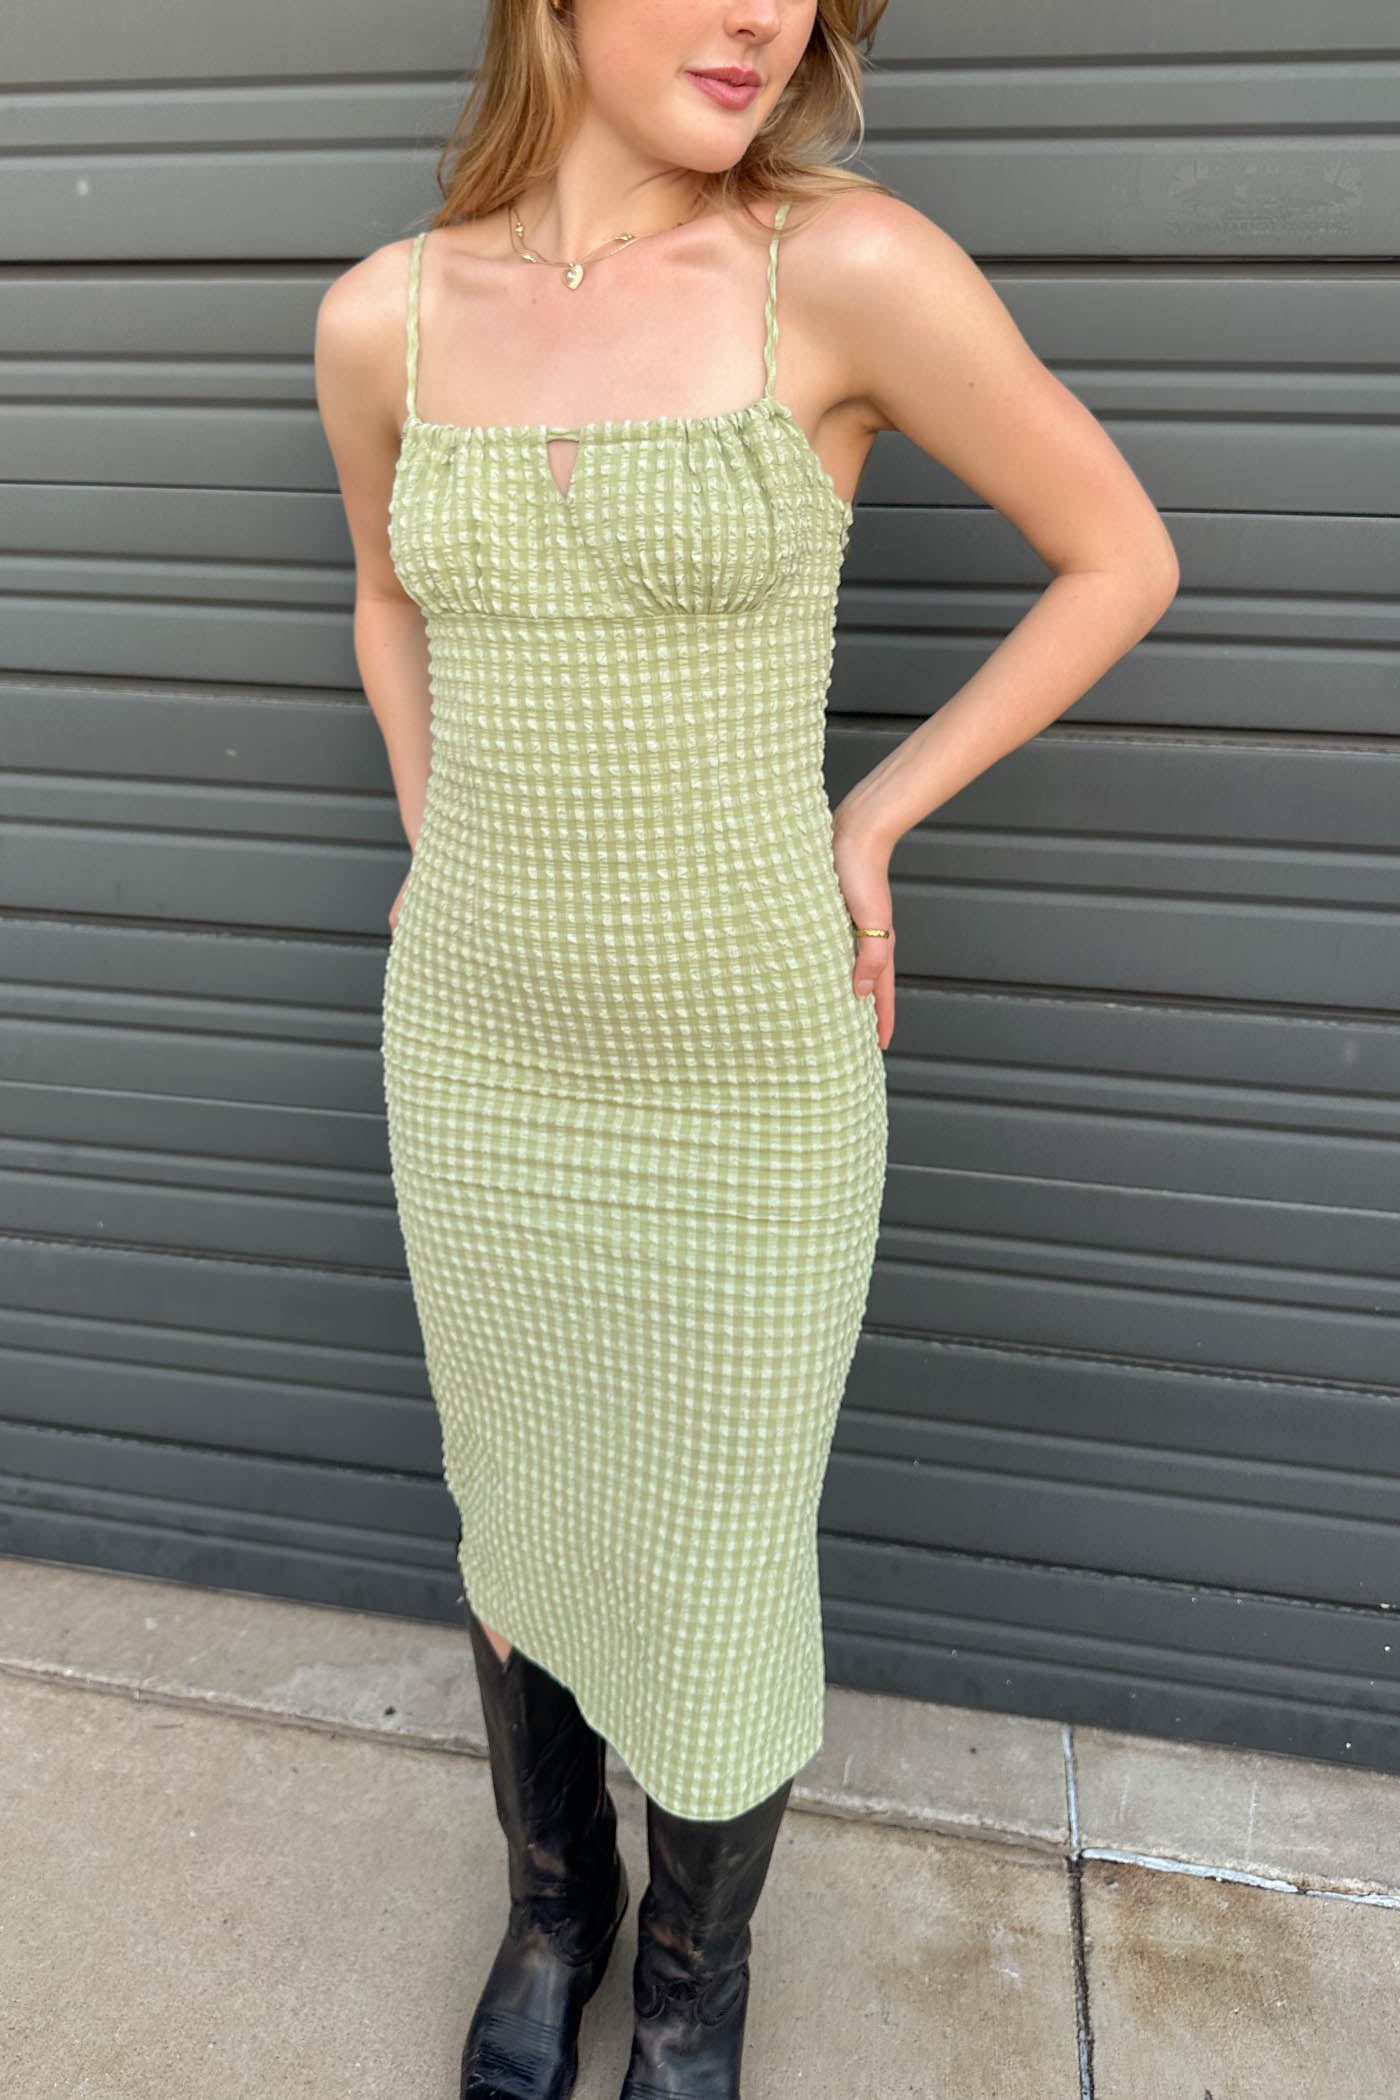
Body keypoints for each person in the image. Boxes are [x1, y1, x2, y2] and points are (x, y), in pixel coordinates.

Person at [314, 3, 1178, 2095]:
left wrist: (871, 813)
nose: (756, 15)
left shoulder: (844, 268)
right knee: (514, 1510)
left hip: (742, 1070)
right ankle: (556, 1909)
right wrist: (450, 841)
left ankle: (694, 1991)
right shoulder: (384, 321)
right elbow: (383, 597)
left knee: (712, 1547)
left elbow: (1118, 553)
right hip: (482, 1057)